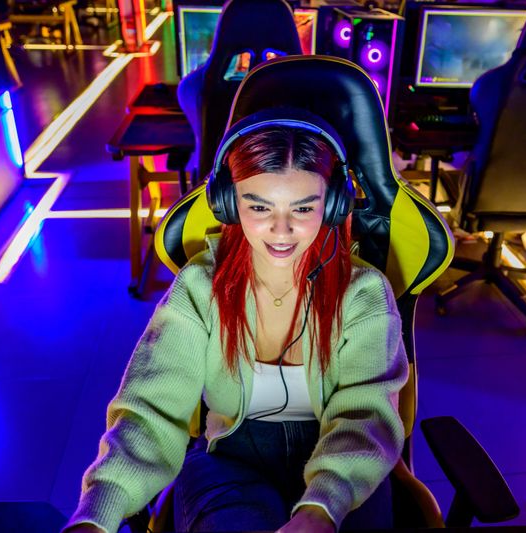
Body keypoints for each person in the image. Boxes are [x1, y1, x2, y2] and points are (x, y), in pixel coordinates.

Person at [63, 108, 409, 533]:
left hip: (344, 458)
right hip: (229, 457)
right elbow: (152, 408)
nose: (281, 231)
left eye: (303, 208)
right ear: (228, 202)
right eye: (259, 206)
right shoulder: (200, 286)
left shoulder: (364, 294)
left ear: (334, 204)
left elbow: (366, 413)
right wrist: (96, 514)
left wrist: (322, 507)